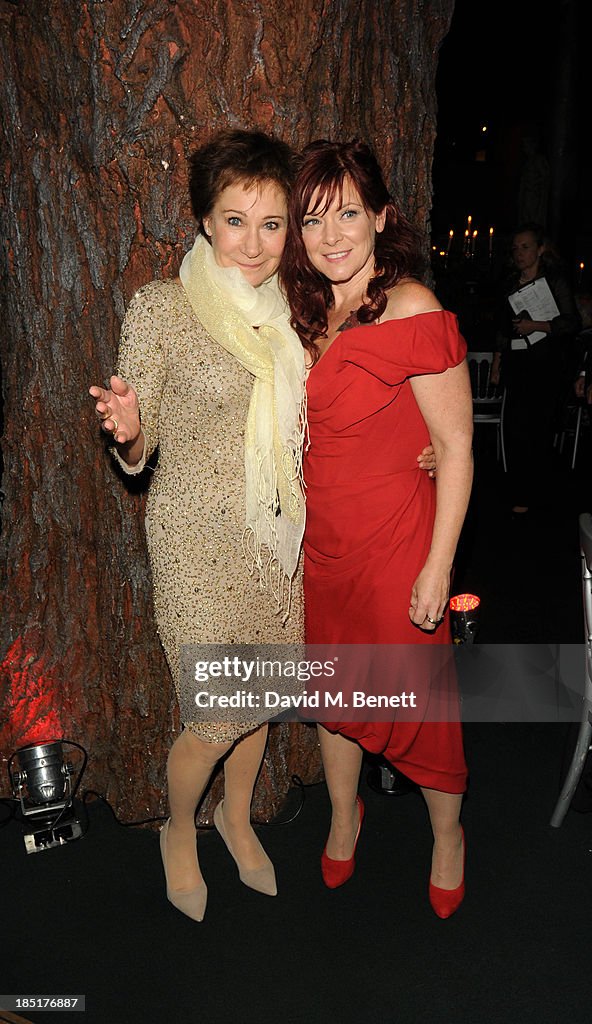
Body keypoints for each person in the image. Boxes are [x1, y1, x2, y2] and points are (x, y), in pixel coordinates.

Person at [89, 129, 436, 923]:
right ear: (205, 221)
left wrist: (416, 445)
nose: (254, 241)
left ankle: (236, 818)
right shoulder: (163, 307)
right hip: (195, 542)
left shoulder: (299, 311)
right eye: (235, 220)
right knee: (218, 709)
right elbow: (139, 451)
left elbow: (350, 406)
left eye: (273, 223)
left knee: (265, 694)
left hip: (281, 542)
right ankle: (180, 827)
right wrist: (130, 429)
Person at [280, 139, 474, 918]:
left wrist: (439, 567)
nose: (331, 236)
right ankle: (340, 815)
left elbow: (457, 446)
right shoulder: (301, 313)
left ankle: (450, 838)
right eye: (314, 219)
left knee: (418, 706)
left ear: (381, 217)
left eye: (348, 214)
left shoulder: (414, 307)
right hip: (321, 548)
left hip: (397, 545)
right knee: (335, 697)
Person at [491, 223, 582, 516]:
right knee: (516, 428)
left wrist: (538, 326)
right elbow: (502, 328)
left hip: (547, 365)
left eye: (526, 246)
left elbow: (572, 323)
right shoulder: (509, 283)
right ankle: (519, 490)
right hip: (517, 364)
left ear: (540, 249)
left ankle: (539, 493)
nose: (520, 253)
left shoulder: (555, 281)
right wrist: (496, 363)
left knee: (539, 429)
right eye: (516, 248)